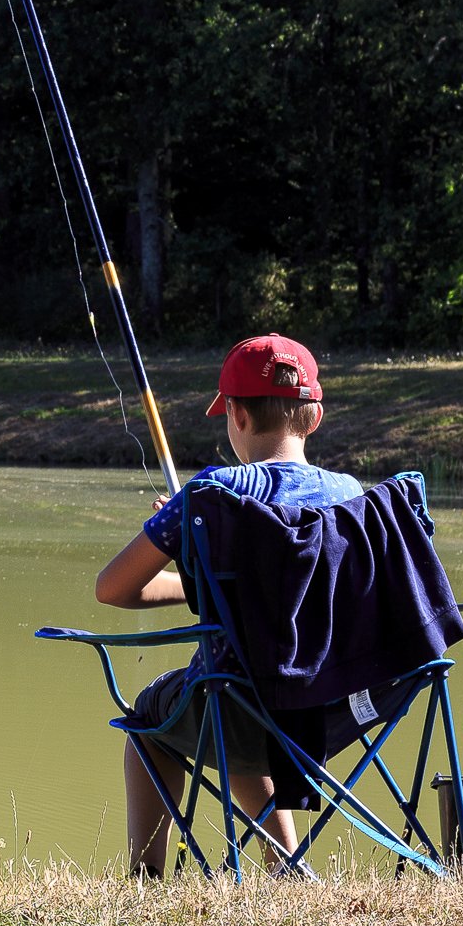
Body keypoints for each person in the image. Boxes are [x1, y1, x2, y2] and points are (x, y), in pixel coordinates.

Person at [93, 334, 404, 874]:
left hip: (239, 707)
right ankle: (285, 866)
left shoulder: (212, 494)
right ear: (315, 416)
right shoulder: (356, 496)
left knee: (158, 718)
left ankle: (143, 883)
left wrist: (191, 537)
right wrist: (203, 571)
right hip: (337, 709)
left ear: (235, 414)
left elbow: (113, 589)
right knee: (244, 681)